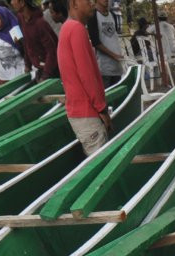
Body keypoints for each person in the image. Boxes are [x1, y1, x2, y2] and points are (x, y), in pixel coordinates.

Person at [57, 0, 110, 154]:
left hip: (79, 111)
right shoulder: (76, 29)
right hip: (87, 112)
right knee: (102, 165)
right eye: (88, 1)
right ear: (74, 3)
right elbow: (87, 75)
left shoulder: (67, 28)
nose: (93, 4)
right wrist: (102, 110)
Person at [12, 0, 59, 77]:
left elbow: (51, 51)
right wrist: (27, 64)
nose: (11, 2)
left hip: (52, 69)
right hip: (39, 68)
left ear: (22, 3)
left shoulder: (40, 23)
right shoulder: (21, 18)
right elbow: (26, 43)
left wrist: (45, 75)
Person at [88, 0, 123, 85]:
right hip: (104, 67)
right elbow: (96, 43)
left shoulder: (112, 14)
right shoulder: (93, 16)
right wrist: (114, 55)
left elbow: (113, 37)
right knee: (108, 95)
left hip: (117, 65)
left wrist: (118, 55)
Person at [0, 4, 25, 79]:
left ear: (4, 18)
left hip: (19, 74)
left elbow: (24, 49)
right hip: (3, 76)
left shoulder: (14, 31)